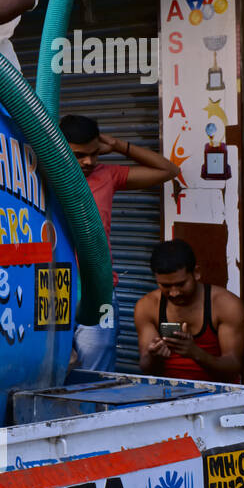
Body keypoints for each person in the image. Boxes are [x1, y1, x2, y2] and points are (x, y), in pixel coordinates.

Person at [61, 113, 179, 371]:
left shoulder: (107, 174)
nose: (89, 161)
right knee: (51, 372)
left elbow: (169, 170)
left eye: (95, 153)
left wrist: (116, 145)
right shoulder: (41, 175)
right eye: (80, 155)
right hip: (52, 289)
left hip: (99, 291)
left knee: (95, 376)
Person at [134, 239, 244, 383]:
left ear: (196, 273)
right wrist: (153, 356)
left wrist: (195, 353)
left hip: (216, 394)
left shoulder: (225, 305)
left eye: (180, 284)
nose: (174, 293)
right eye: (165, 286)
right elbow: (146, 367)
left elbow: (233, 367)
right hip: (166, 393)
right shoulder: (147, 306)